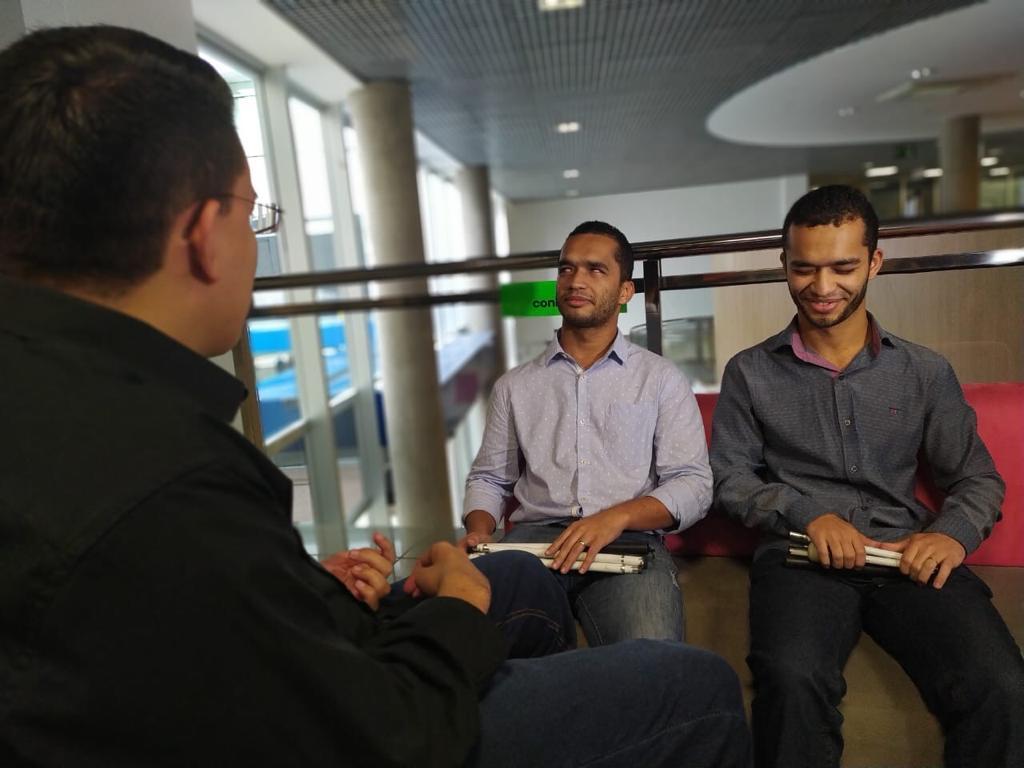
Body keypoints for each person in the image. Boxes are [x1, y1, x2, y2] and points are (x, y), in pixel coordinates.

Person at [0, 25, 751, 767]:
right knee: (700, 684)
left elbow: (222, 615)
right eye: (255, 215)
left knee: (521, 584)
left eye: (593, 270)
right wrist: (453, 600)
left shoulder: (74, 415)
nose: (574, 281)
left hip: (605, 558)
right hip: (378, 720)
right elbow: (383, 728)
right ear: (202, 234)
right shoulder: (176, 473)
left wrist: (323, 588)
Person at [709, 184, 1024, 767]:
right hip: (802, 558)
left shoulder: (925, 371)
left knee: (1004, 686)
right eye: (803, 268)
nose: (822, 287)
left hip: (905, 555)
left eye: (843, 267)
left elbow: (978, 478)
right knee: (791, 677)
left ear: (875, 262)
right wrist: (808, 514)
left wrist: (950, 535)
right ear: (783, 264)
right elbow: (730, 477)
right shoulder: (749, 372)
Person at [463, 220, 712, 644]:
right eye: (566, 269)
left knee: (651, 659)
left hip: (627, 540)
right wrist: (480, 530)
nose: (576, 280)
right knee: (483, 646)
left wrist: (616, 517)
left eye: (596, 270)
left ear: (625, 291)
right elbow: (489, 478)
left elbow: (694, 484)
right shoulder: (515, 385)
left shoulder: (660, 379)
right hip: (532, 544)